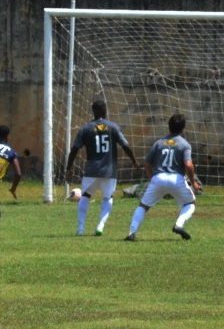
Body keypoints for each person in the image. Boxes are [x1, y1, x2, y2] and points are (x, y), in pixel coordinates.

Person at [65, 100, 138, 236]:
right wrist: (134, 162)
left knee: (85, 196)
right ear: (105, 111)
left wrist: (69, 169)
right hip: (109, 172)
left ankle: (80, 229)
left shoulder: (85, 128)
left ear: (93, 111)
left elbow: (74, 149)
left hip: (91, 171)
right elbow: (126, 146)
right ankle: (100, 225)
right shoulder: (113, 127)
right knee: (107, 198)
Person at [125, 113, 202, 241]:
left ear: (169, 126)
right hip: (177, 179)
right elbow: (188, 164)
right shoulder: (184, 144)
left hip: (158, 178)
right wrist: (193, 182)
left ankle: (131, 233)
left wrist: (152, 179)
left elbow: (147, 163)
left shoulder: (159, 143)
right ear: (183, 128)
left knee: (143, 206)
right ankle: (179, 225)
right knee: (190, 203)